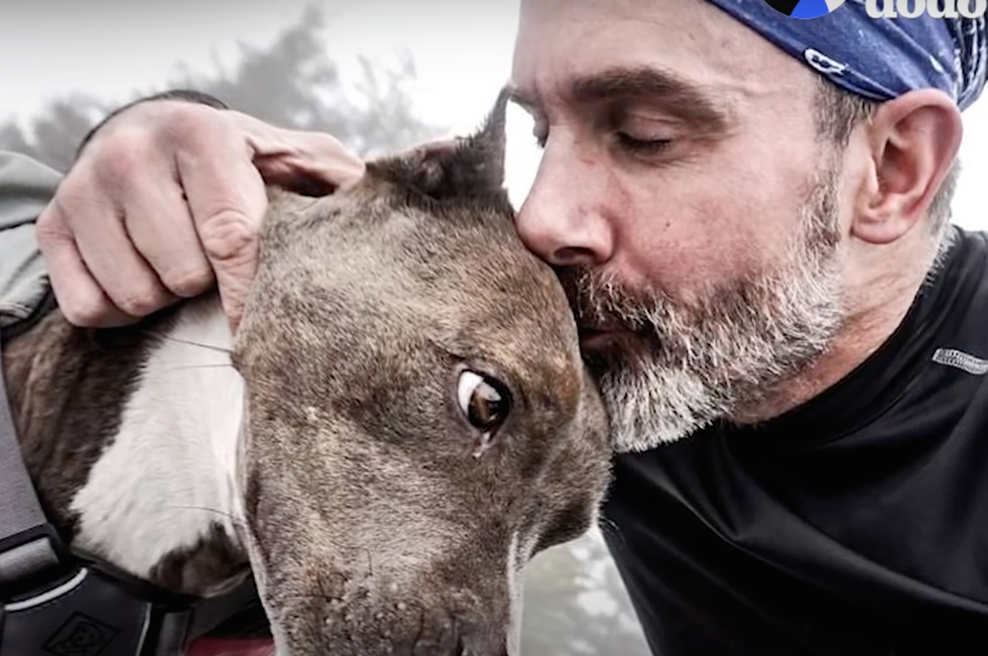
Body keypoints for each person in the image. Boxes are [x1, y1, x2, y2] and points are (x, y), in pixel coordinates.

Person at [2, 1, 987, 654]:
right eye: (544, 133)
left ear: (891, 168)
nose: (546, 216)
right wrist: (163, 134)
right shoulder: (613, 342)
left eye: (645, 134)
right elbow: (353, 270)